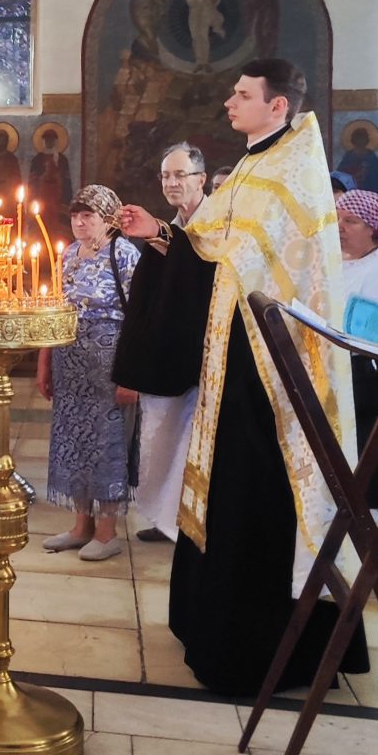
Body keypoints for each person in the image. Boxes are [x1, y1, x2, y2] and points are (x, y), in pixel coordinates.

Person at [113, 59, 366, 694]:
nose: (230, 101)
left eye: (243, 93)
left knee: (253, 493)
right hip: (230, 358)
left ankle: (255, 649)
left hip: (267, 375)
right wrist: (159, 234)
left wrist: (184, 246)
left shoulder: (289, 174)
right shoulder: (254, 164)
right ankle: (208, 626)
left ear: (277, 105)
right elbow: (209, 251)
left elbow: (259, 271)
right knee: (223, 491)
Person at [37, 186, 141, 561]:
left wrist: (131, 376)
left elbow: (139, 319)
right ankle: (81, 526)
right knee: (74, 441)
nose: (79, 223)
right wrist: (44, 361)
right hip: (70, 366)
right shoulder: (68, 254)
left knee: (106, 443)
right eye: (75, 216)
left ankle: (107, 532)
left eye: (88, 216)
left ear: (108, 219)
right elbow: (55, 309)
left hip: (110, 367)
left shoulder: (125, 254)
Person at [133, 144, 208, 545]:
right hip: (169, 357)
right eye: (165, 175)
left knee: (195, 443)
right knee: (164, 438)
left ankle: (192, 523)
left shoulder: (217, 224)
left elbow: (201, 270)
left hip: (207, 357)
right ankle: (171, 517)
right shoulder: (174, 226)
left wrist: (160, 234)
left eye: (180, 174)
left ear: (201, 178)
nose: (171, 182)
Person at [337, 189, 378, 508]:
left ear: (373, 228)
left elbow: (368, 334)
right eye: (337, 219)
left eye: (350, 221)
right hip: (336, 364)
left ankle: (360, 522)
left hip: (364, 373)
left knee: (359, 456)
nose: (340, 227)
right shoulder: (336, 258)